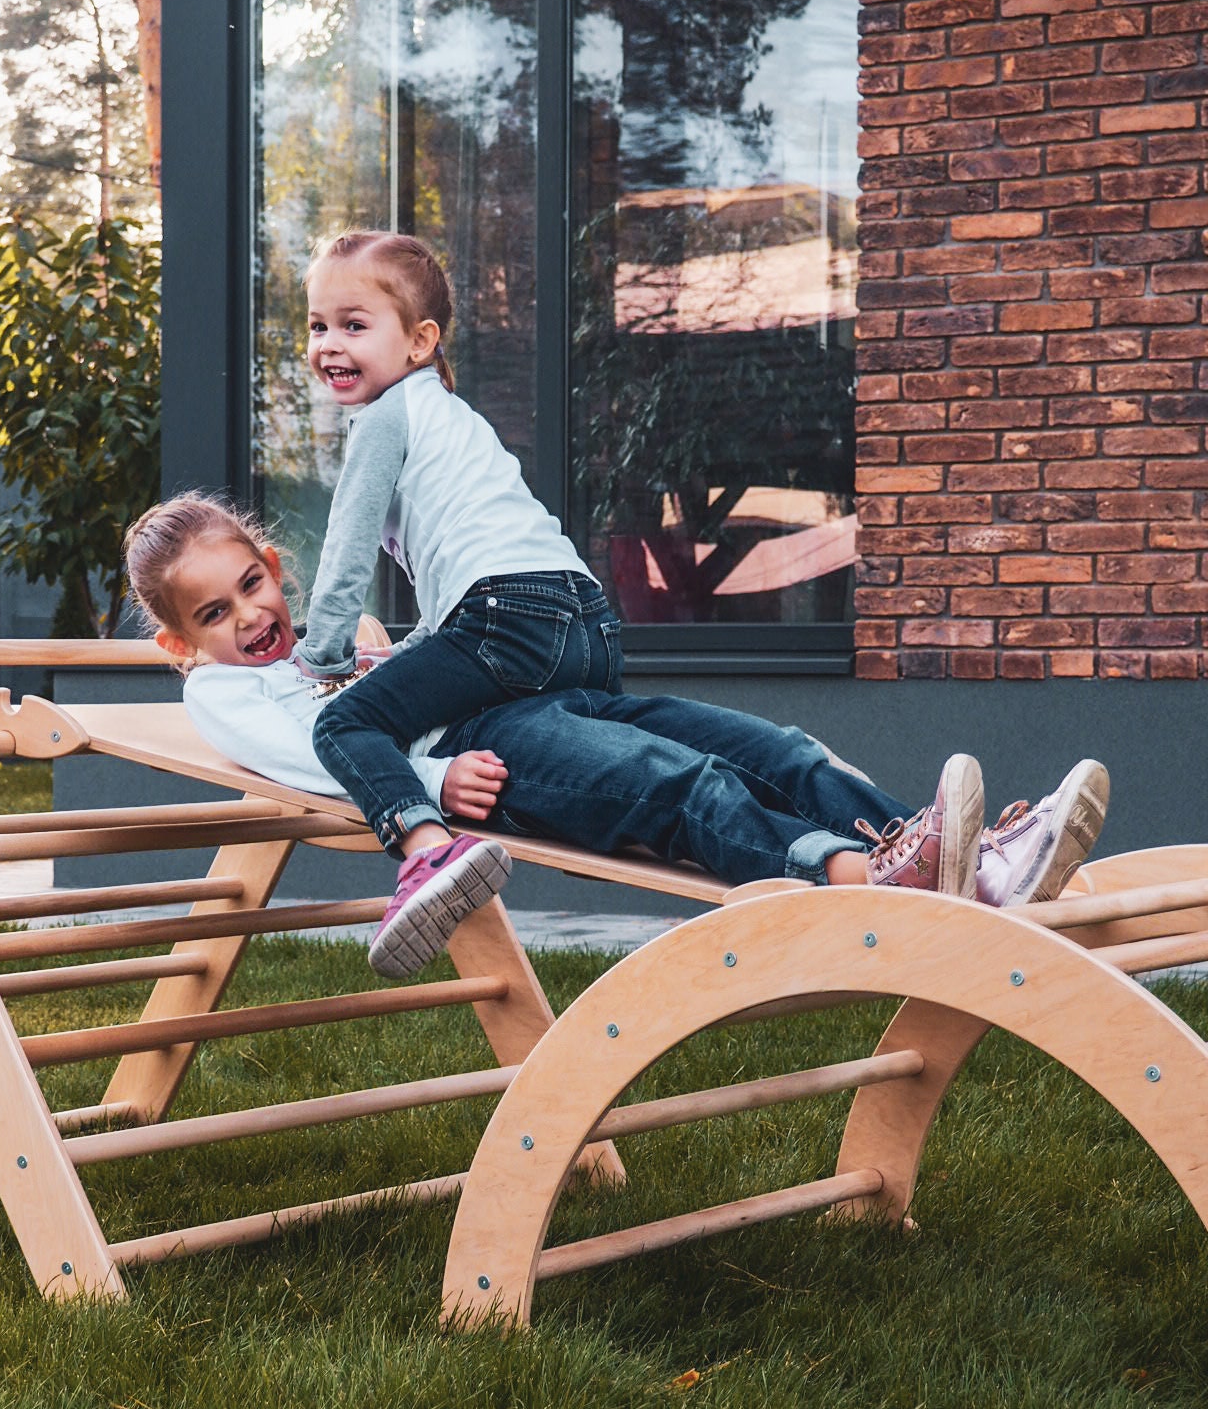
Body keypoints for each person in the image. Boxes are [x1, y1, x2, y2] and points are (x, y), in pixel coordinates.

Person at [123, 493, 1111, 977]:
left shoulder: (320, 643)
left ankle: (959, 855)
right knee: (681, 782)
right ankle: (866, 878)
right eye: (213, 613)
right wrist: (426, 771)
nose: (247, 616)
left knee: (765, 745)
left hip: (517, 708)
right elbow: (320, 748)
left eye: (251, 583)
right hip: (491, 759)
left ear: (272, 564)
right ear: (181, 638)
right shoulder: (222, 692)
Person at [288, 228, 622, 970]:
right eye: (317, 326)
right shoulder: (450, 413)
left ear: (418, 341)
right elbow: (458, 594)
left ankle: (425, 853)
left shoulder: (383, 420)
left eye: (353, 325)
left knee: (346, 725)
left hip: (510, 613)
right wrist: (404, 654)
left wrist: (324, 655)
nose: (328, 345)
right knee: (539, 741)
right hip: (584, 620)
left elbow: (346, 549)